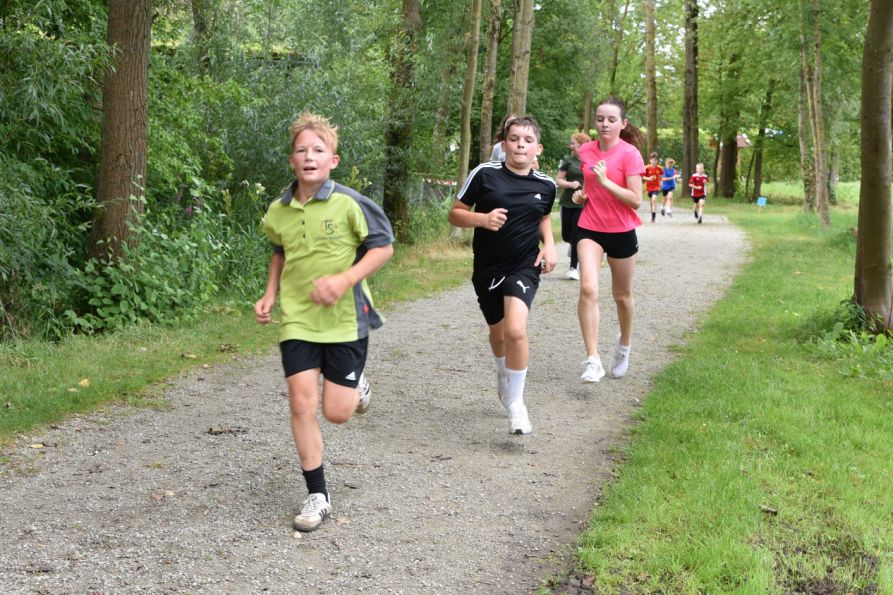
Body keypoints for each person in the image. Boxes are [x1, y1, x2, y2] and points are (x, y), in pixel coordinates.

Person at [255, 112, 395, 532]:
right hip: (297, 318)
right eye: (302, 150)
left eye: (318, 150)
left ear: (332, 160)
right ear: (291, 161)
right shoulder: (277, 211)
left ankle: (357, 386)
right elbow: (280, 251)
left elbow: (383, 247)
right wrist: (270, 293)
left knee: (336, 412)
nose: (309, 156)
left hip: (345, 319)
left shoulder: (350, 203)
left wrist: (345, 279)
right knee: (300, 401)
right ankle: (317, 493)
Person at [449, 115, 558, 435]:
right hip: (487, 268)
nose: (520, 145)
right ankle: (503, 374)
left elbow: (544, 216)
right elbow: (455, 214)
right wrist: (482, 220)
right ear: (504, 144)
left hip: (524, 265)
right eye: (514, 139)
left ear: (537, 148)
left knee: (515, 330)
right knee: (497, 334)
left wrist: (550, 246)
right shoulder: (484, 174)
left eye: (527, 140)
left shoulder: (546, 185)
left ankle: (517, 404)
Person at [573, 96, 645, 382]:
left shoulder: (630, 154)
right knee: (588, 288)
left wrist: (606, 182)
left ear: (622, 124)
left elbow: (636, 200)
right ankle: (593, 360)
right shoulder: (587, 151)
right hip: (590, 227)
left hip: (622, 230)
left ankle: (624, 345)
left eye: (611, 120)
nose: (605, 124)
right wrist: (580, 196)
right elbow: (586, 189)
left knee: (622, 296)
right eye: (600, 119)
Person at [556, 132, 591, 279]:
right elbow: (559, 180)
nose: (571, 145)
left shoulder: (591, 161)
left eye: (573, 143)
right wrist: (570, 184)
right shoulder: (568, 161)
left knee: (577, 235)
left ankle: (573, 268)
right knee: (566, 235)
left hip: (582, 204)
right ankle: (573, 245)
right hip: (566, 202)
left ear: (582, 145)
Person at [644, 152, 663, 223]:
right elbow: (642, 176)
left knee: (654, 200)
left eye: (655, 160)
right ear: (650, 160)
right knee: (651, 202)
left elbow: (661, 177)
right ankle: (652, 214)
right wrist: (648, 179)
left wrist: (661, 183)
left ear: (657, 161)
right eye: (652, 160)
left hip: (656, 187)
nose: (653, 161)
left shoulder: (660, 168)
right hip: (649, 187)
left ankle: (653, 218)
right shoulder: (646, 168)